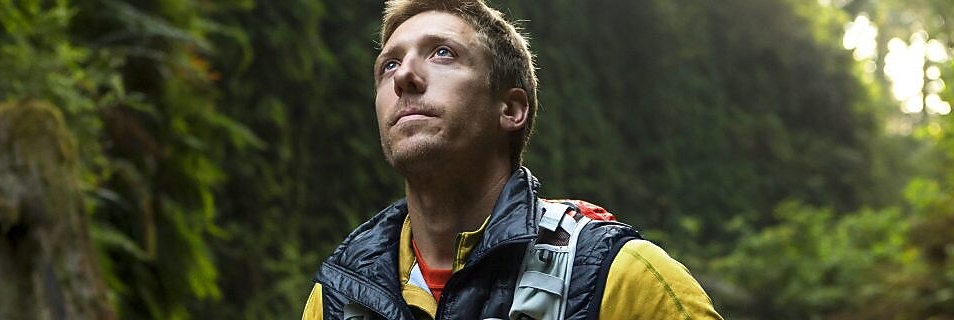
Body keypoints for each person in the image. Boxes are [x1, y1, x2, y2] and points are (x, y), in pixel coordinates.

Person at [302, 0, 722, 319]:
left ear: (511, 110)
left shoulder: (623, 280)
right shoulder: (338, 297)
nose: (403, 77)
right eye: (388, 64)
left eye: (442, 53)